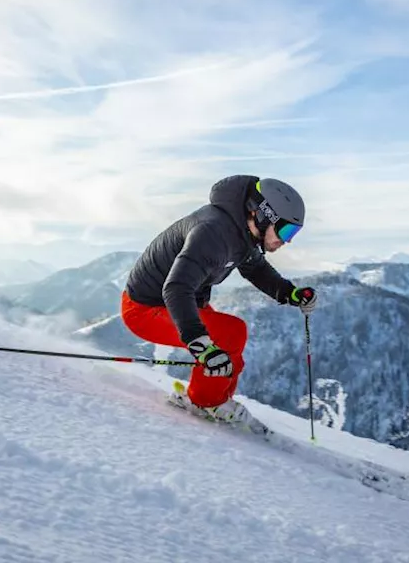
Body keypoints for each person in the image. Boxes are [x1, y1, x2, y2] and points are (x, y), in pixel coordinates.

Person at [120, 174, 318, 422]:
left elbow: (255, 268)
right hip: (144, 308)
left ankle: (216, 402)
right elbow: (176, 287)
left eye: (294, 232)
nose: (286, 240)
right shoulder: (213, 233)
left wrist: (290, 293)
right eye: (286, 230)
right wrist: (199, 342)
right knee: (230, 334)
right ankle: (204, 402)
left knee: (230, 356)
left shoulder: (242, 232)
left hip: (179, 301)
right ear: (264, 215)